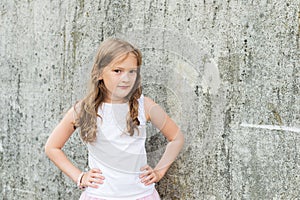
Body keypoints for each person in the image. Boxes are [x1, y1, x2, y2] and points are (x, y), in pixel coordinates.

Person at [45, 38, 184, 200]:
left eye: (132, 71)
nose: (126, 78)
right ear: (99, 73)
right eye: (117, 71)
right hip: (100, 195)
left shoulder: (145, 106)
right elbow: (52, 147)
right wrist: (80, 176)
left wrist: (159, 171)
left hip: (141, 195)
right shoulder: (84, 109)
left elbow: (176, 138)